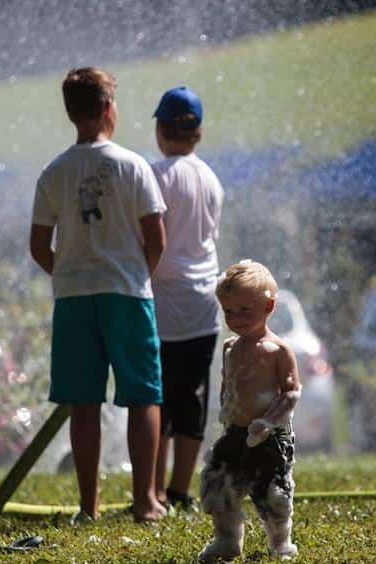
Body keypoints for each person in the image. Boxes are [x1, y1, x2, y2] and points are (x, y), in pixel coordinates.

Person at [29, 67, 168, 524]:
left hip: (73, 298)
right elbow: (156, 238)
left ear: (71, 113)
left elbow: (38, 244)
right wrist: (135, 275)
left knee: (83, 402)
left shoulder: (54, 171)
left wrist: (67, 274)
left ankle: (88, 507)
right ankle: (145, 501)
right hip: (126, 293)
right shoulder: (132, 166)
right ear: (109, 108)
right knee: (143, 396)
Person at [149, 86, 225, 510]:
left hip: (164, 301)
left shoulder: (159, 175)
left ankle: (154, 491)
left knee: (157, 396)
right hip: (204, 304)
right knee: (193, 395)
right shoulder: (211, 178)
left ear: (161, 129)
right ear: (198, 132)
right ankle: (181, 490)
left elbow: (152, 237)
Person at [198, 260, 301, 562]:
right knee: (217, 484)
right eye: (229, 311)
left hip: (268, 436)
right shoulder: (230, 347)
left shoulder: (278, 350)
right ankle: (227, 539)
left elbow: (291, 393)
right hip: (235, 433)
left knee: (273, 493)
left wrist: (268, 421)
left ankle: (280, 543)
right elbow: (227, 387)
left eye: (245, 310)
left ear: (269, 306)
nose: (236, 318)